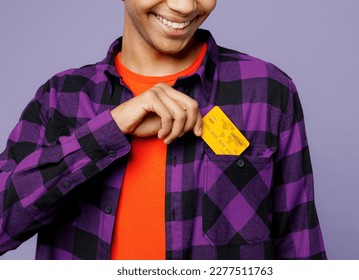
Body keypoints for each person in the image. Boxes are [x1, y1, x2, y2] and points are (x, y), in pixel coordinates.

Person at [0, 0, 326, 260]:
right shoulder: (62, 98)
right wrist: (109, 129)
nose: (184, 6)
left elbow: (300, 244)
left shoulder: (267, 91)